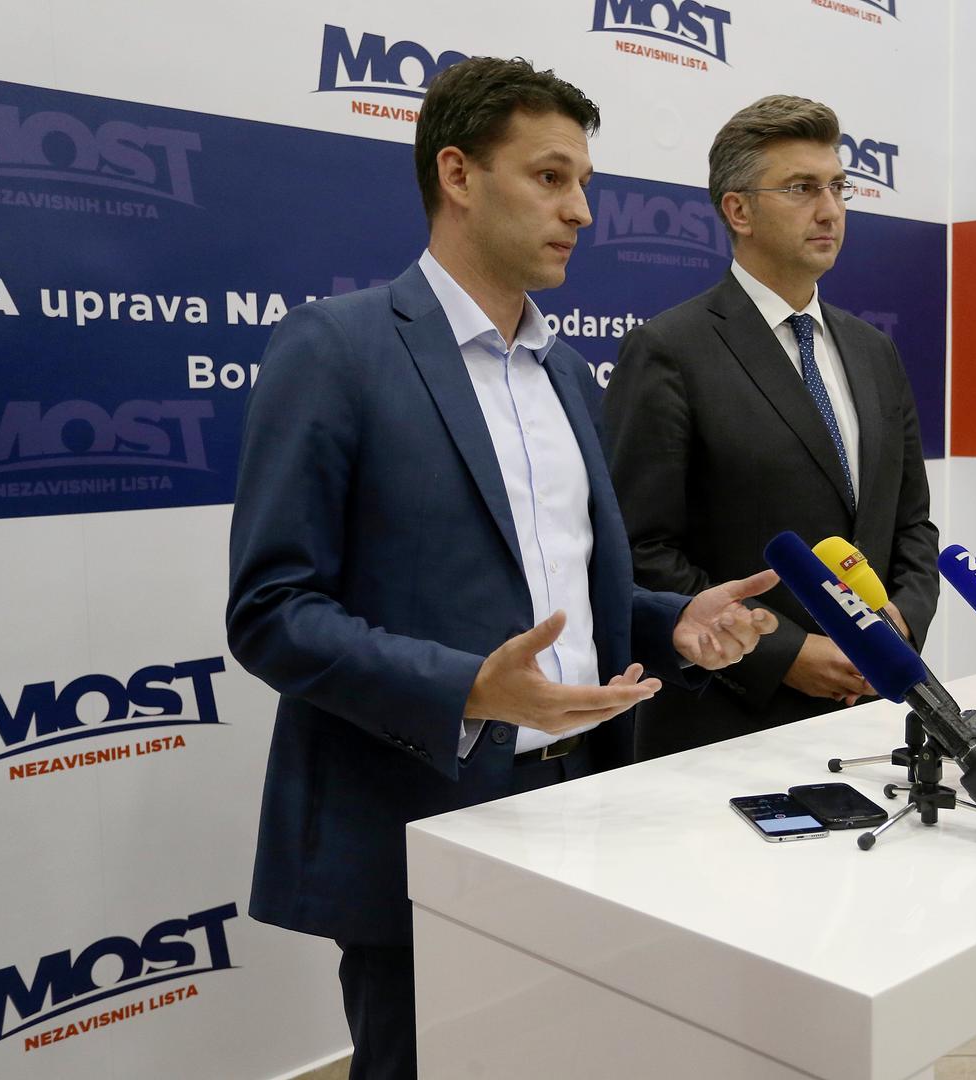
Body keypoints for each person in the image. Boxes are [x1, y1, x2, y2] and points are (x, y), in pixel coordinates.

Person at [226, 57, 776, 1079]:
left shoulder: (565, 373)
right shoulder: (336, 348)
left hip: (587, 806)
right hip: (424, 817)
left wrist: (672, 622)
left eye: (585, 184)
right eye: (551, 177)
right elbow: (272, 612)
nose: (582, 212)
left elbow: (565, 592)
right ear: (459, 175)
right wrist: (469, 688)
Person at [601, 95, 939, 760]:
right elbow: (641, 549)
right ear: (739, 210)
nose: (830, 209)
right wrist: (782, 653)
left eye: (838, 187)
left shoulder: (874, 350)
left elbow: (911, 523)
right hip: (727, 726)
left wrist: (903, 619)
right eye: (802, 188)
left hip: (870, 713)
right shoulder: (670, 349)